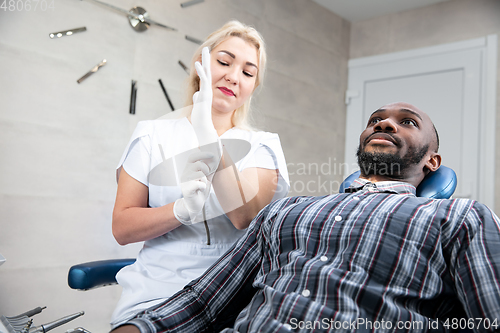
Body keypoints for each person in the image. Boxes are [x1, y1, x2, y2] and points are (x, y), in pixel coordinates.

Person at [112, 102, 500, 333]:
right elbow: (202, 303)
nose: (385, 124)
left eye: (407, 122)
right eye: (376, 119)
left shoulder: (460, 218)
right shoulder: (286, 210)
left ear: (433, 162)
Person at [110, 20, 290, 328]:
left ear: (252, 88)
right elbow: (123, 227)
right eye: (224, 62)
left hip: (233, 293)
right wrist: (180, 211)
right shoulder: (152, 135)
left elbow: (244, 216)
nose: (233, 77)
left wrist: (210, 140)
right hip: (156, 292)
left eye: (248, 73)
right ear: (200, 64)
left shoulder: (263, 145)